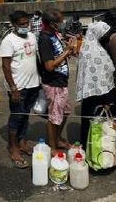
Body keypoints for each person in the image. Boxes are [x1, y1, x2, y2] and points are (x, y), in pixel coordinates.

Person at [0, 11, 40, 169]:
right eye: (21, 24)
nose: (25, 26)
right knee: (16, 117)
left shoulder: (32, 36)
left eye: (26, 23)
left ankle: (22, 142)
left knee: (25, 115)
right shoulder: (8, 41)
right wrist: (13, 88)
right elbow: (5, 65)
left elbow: (35, 58)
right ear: (14, 25)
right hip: (18, 87)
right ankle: (13, 147)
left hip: (33, 84)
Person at [38, 10, 77, 152]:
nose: (61, 24)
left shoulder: (55, 34)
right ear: (52, 24)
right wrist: (66, 51)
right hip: (53, 83)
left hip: (61, 81)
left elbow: (59, 55)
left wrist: (70, 50)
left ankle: (58, 139)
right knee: (54, 117)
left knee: (64, 112)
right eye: (59, 22)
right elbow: (49, 66)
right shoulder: (44, 39)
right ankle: (52, 147)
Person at [76, 20, 116, 143]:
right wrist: (107, 99)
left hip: (91, 93)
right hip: (100, 95)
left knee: (92, 123)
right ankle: (96, 152)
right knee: (98, 123)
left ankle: (90, 148)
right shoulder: (95, 51)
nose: (106, 37)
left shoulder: (89, 48)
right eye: (104, 34)